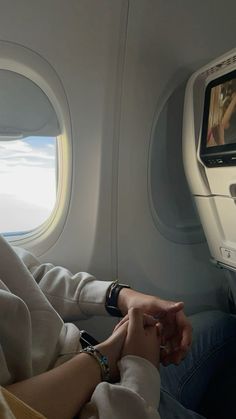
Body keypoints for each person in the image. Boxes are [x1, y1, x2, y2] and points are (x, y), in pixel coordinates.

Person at [0, 233, 236, 419]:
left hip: (99, 369)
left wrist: (120, 297)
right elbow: (15, 410)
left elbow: (26, 277)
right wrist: (132, 366)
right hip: (110, 404)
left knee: (224, 326)